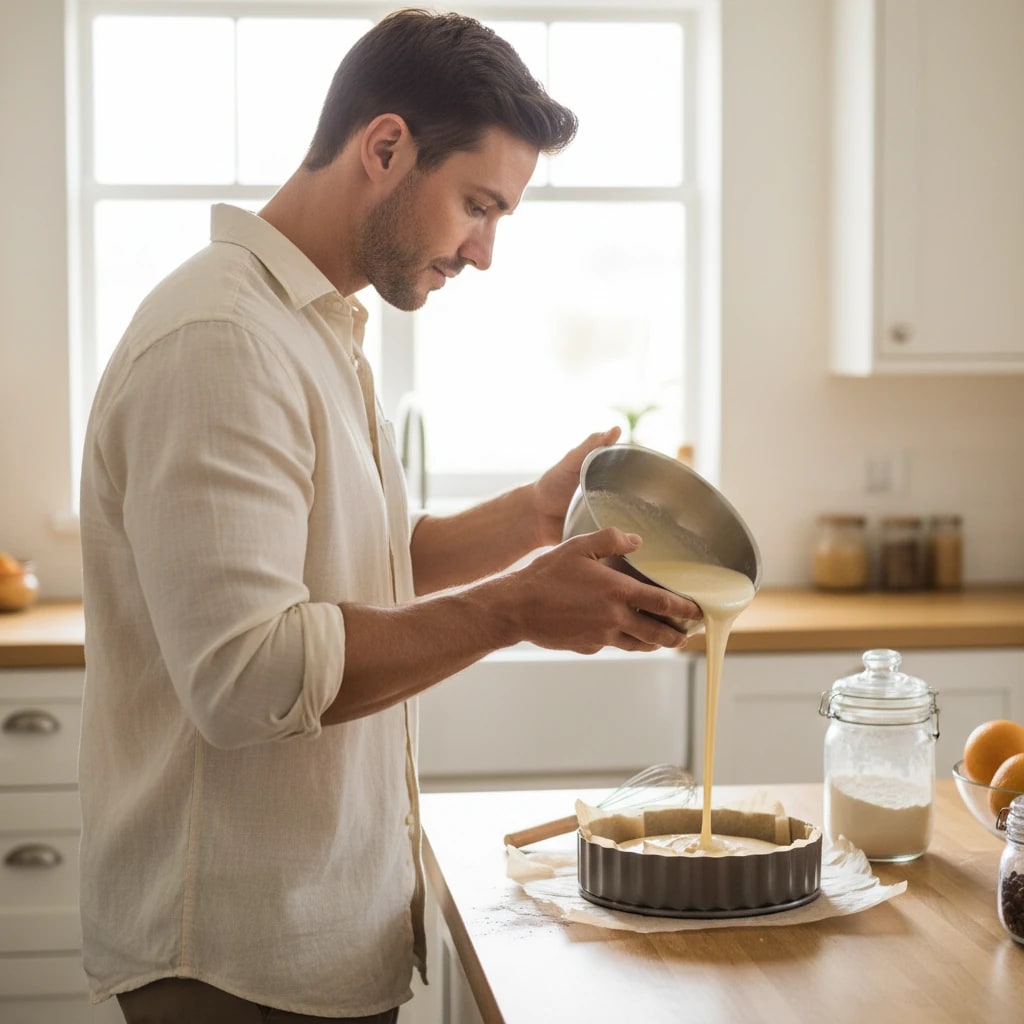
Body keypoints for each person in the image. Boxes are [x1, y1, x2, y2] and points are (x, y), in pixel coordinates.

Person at [78, 9, 699, 1023]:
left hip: (313, 932)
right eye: (476, 204)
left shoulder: (311, 324)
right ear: (384, 147)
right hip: (233, 958)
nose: (485, 251)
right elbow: (250, 674)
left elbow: (360, 566)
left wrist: (537, 516)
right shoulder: (220, 340)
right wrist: (514, 611)